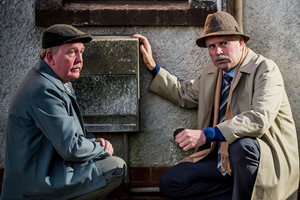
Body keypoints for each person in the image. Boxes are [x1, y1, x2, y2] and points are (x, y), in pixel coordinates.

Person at [133, 11, 299, 200]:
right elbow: (184, 93)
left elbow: (259, 118)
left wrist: (206, 134)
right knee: (171, 182)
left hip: (262, 163)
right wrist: (153, 67)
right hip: (220, 159)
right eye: (212, 46)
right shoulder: (212, 73)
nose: (218, 51)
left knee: (242, 146)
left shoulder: (265, 69)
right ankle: (239, 193)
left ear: (241, 43)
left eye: (224, 44)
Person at [1, 24, 126, 200]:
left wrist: (92, 141)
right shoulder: (44, 90)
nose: (79, 60)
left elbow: (70, 135)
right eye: (72, 52)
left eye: (81, 52)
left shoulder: (52, 80)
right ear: (51, 57)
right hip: (35, 188)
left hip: (47, 173)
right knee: (115, 167)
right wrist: (100, 149)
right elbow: (72, 148)